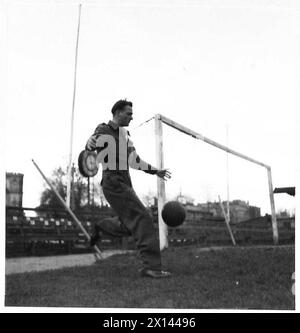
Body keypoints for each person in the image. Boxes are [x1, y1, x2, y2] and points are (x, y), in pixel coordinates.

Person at [85, 99, 172, 278]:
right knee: (144, 218)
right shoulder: (103, 129)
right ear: (117, 113)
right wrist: (90, 143)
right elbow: (91, 144)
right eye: (129, 113)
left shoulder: (126, 135)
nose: (132, 117)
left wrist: (156, 171)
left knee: (130, 224)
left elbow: (134, 161)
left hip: (125, 182)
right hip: (112, 181)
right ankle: (151, 267)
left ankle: (101, 227)